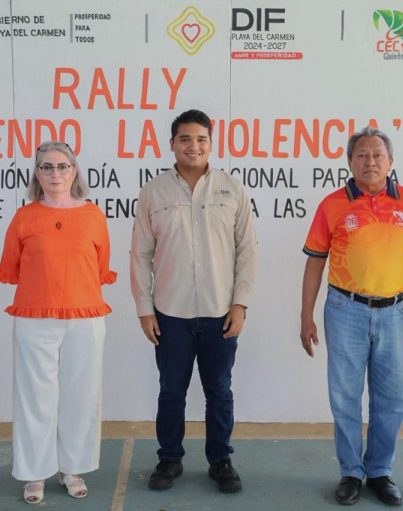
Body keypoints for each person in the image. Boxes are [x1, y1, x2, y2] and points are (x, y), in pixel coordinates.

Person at [300, 127, 403, 506]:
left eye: (378, 155)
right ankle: (350, 472)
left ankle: (379, 471)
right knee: (345, 396)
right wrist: (305, 315)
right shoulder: (331, 205)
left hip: (397, 312)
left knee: (392, 397)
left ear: (390, 162)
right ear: (349, 162)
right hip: (345, 310)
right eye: (361, 155)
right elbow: (315, 263)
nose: (370, 161)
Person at [130, 109, 258, 493]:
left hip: (221, 312)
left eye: (201, 139)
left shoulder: (232, 189)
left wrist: (241, 304)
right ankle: (169, 459)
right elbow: (140, 255)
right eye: (185, 139)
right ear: (172, 144)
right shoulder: (153, 192)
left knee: (219, 390)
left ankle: (220, 460)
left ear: (210, 143)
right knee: (172, 390)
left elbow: (247, 250)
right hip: (171, 313)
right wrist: (144, 309)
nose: (193, 146)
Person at [0, 141, 116, 505]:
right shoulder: (24, 217)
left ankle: (72, 468)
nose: (55, 173)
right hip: (35, 316)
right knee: (35, 397)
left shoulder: (93, 215)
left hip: (86, 316)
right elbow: (12, 266)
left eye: (62, 166)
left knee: (82, 393)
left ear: (74, 171)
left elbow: (99, 267)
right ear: (37, 173)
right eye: (46, 167)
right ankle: (35, 472)